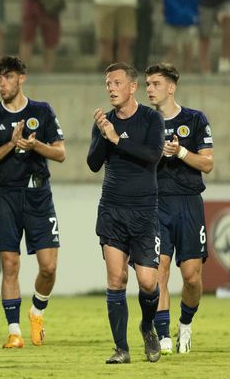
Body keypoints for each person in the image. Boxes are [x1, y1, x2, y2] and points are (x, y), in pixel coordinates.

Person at [0, 56, 65, 349]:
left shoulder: (42, 110)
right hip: (6, 195)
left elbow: (60, 153)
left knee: (49, 267)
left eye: (8, 77)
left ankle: (36, 311)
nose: (3, 83)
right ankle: (14, 331)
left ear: (22, 78)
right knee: (10, 264)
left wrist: (34, 145)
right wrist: (12, 144)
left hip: (38, 194)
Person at [87, 62, 164, 364]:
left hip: (145, 211)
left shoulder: (151, 119)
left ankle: (147, 326)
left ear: (132, 87)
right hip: (112, 210)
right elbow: (93, 164)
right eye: (108, 83)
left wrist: (118, 139)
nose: (111, 88)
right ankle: (121, 348)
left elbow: (152, 155)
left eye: (117, 83)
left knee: (147, 282)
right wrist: (104, 135)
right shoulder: (104, 122)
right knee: (117, 279)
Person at [145, 62, 214, 355]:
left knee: (192, 277)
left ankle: (185, 324)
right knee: (159, 269)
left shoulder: (195, 120)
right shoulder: (143, 122)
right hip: (156, 203)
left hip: (189, 203)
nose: (150, 89)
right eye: (147, 84)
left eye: (156, 84)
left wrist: (182, 152)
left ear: (171, 87)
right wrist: (154, 155)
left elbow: (208, 164)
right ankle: (163, 336)